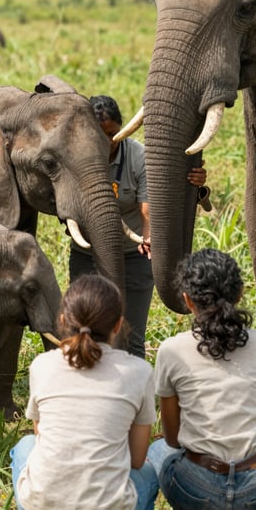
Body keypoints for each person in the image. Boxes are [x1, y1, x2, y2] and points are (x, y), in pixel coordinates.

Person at [147, 248, 256, 510]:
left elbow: (172, 437)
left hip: (196, 488)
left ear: (187, 300)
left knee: (158, 449)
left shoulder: (171, 351)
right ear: (240, 294)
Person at [10, 273, 159, 510]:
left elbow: (42, 438)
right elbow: (137, 461)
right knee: (150, 472)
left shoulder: (42, 365)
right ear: (118, 325)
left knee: (26, 445)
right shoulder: (139, 371)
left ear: (64, 322)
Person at [69, 94, 207, 358]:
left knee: (130, 336)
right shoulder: (76, 155)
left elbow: (147, 209)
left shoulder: (138, 157)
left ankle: (134, 392)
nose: (107, 143)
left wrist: (148, 238)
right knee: (84, 330)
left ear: (122, 128)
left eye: (113, 134)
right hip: (88, 253)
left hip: (132, 255)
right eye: (99, 136)